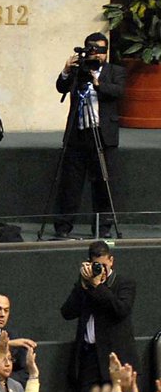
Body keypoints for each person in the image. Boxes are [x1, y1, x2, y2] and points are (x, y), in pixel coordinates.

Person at [53, 32, 126, 239]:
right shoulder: (78, 71)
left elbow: (118, 92)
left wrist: (97, 82)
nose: (97, 55)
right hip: (78, 135)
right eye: (93, 50)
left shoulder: (115, 71)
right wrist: (67, 70)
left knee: (103, 182)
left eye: (101, 51)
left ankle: (102, 228)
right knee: (71, 184)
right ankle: (63, 227)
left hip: (103, 136)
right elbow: (61, 87)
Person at [60, 239, 137, 392]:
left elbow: (121, 309)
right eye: (97, 265)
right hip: (89, 357)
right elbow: (67, 313)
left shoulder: (124, 283)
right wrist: (83, 285)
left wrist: (98, 286)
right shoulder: (84, 285)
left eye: (104, 264)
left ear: (111, 260)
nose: (102, 269)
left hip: (115, 357)